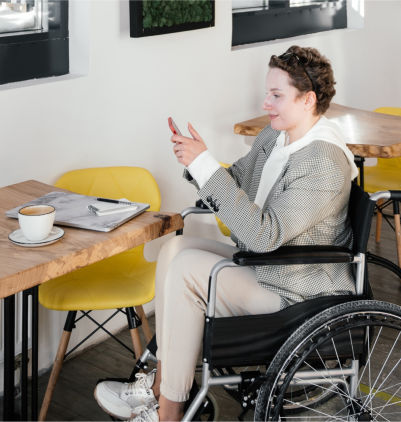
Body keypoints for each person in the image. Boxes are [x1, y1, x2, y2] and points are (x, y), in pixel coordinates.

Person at [94, 45, 358, 422]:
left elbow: (264, 235)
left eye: (277, 95)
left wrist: (205, 166)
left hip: (296, 289)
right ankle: (159, 388)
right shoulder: (276, 137)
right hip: (268, 266)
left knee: (187, 272)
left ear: (308, 100)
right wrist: (198, 161)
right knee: (176, 250)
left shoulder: (322, 161)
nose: (266, 102)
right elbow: (236, 181)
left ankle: (167, 413)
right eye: (267, 92)